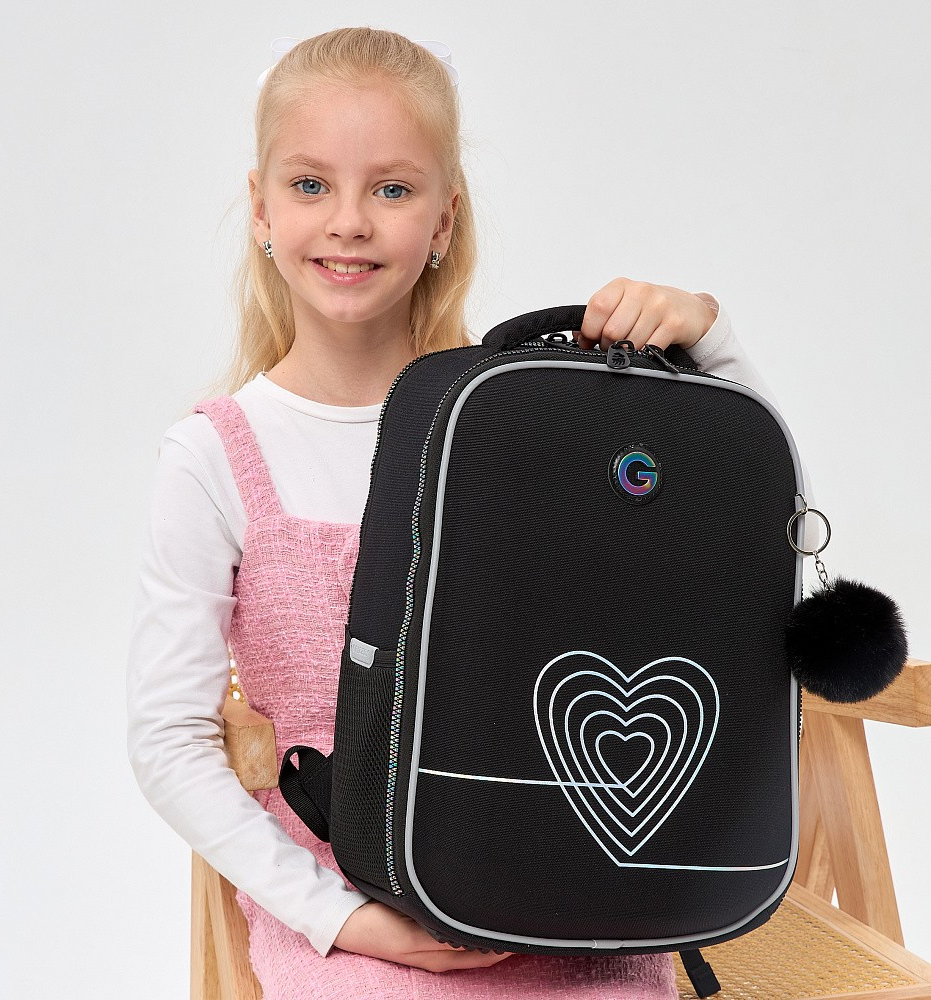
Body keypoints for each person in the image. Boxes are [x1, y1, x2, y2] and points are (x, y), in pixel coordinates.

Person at [125, 26, 818, 999]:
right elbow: (167, 738)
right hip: (355, 912)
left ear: (445, 220)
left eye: (392, 190)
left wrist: (712, 344)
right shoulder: (215, 455)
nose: (349, 222)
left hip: (567, 881)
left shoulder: (520, 418)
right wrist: (342, 919)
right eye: (311, 184)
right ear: (261, 209)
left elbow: (742, 547)